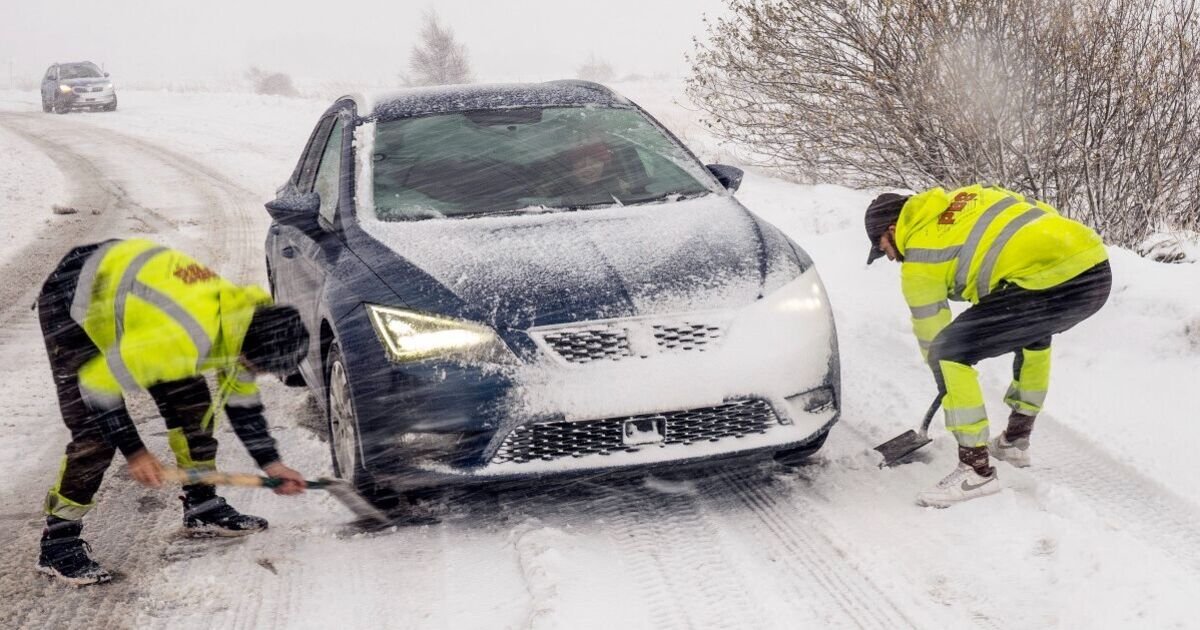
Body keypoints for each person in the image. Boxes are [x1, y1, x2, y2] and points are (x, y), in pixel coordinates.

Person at [35, 238, 311, 585]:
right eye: (258, 367)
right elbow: (97, 385)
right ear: (248, 352)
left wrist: (271, 464)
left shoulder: (246, 321)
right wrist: (135, 452)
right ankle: (58, 543)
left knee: (193, 407)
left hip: (139, 298)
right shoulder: (180, 334)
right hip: (73, 294)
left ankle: (201, 506)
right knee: (95, 434)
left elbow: (242, 403)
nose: (255, 374)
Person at [865, 185, 1111, 507]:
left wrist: (946, 378)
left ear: (892, 229)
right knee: (1032, 335)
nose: (889, 257)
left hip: (1051, 283)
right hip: (1093, 268)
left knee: (949, 352)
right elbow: (1032, 211)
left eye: (882, 247)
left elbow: (933, 338)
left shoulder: (919, 256)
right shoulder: (965, 198)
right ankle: (1015, 441)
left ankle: (975, 470)